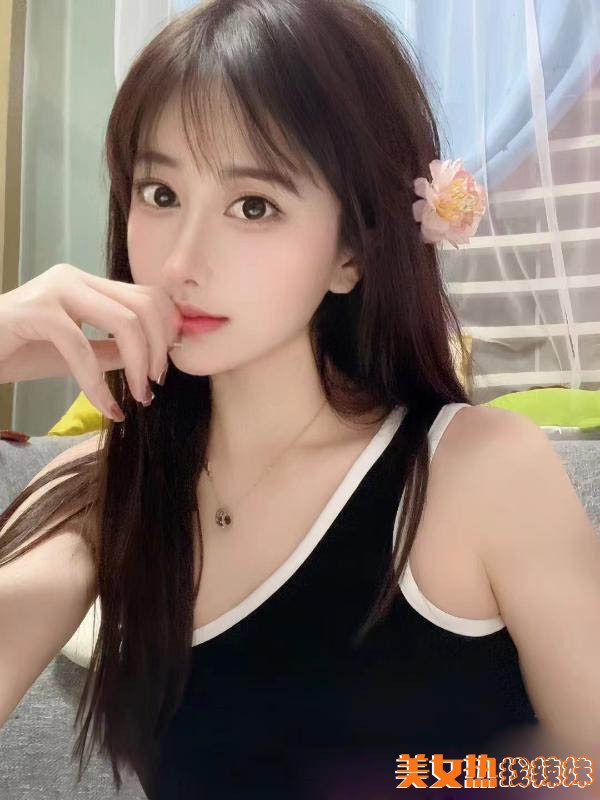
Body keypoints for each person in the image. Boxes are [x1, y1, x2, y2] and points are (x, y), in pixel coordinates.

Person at [0, 0, 599, 798]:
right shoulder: (103, 487)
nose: (180, 262)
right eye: (160, 193)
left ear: (352, 252)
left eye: (254, 206)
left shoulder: (480, 472)